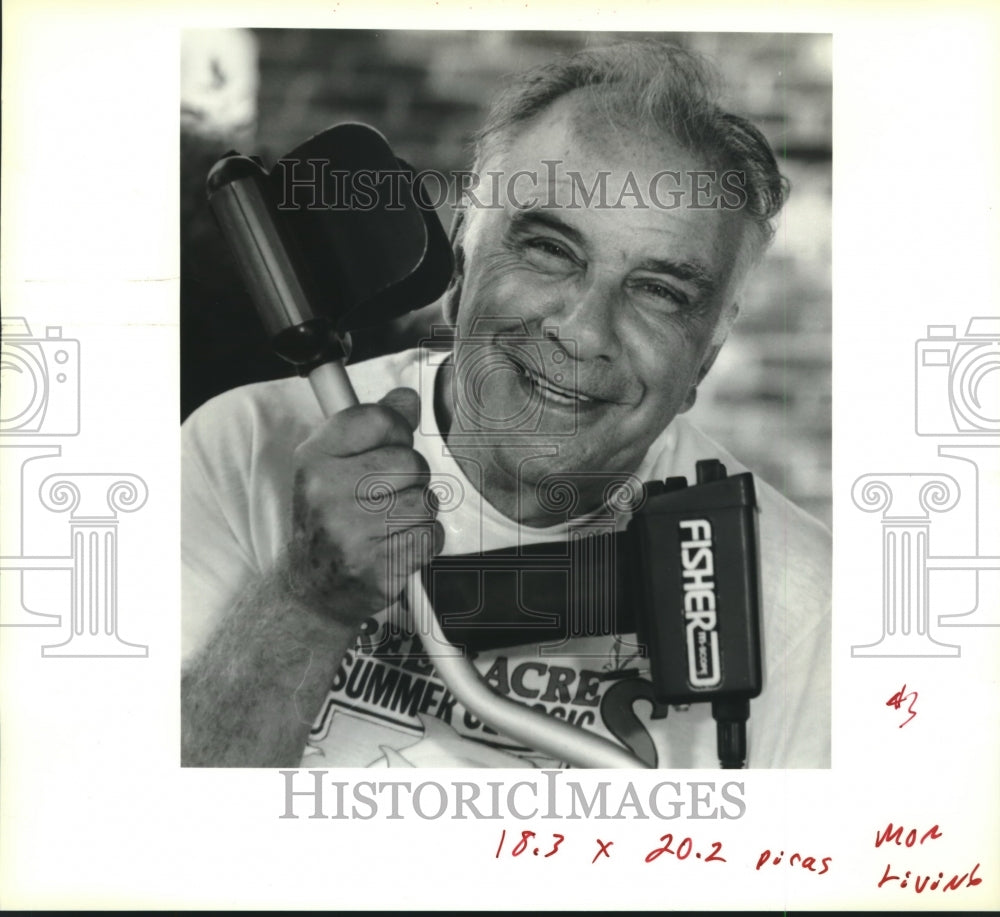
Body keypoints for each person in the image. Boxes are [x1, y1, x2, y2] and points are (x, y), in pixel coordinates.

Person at [181, 40, 831, 769]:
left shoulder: (804, 602)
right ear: (461, 264)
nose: (584, 331)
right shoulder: (243, 448)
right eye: (551, 250)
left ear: (704, 358)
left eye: (661, 292)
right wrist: (305, 601)